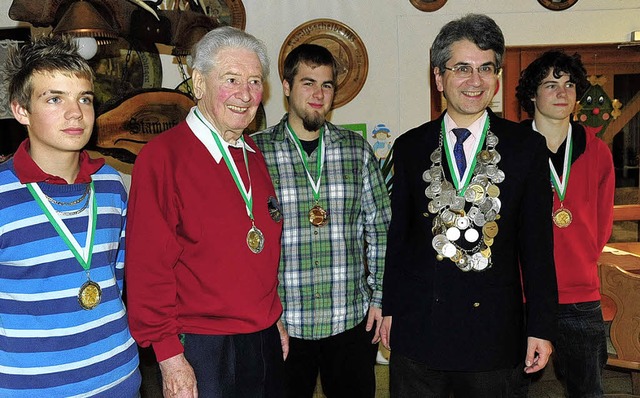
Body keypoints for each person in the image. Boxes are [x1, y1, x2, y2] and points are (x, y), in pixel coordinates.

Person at [380, 14, 558, 397]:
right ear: (438, 77)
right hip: (419, 331)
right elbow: (400, 239)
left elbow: (539, 250)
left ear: (497, 78)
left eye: (486, 68)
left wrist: (541, 327)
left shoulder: (526, 148)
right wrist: (389, 307)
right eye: (462, 68)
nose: (475, 81)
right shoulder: (410, 147)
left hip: (494, 336)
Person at [125, 26, 287, 397]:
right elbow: (148, 267)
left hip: (261, 338)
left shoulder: (253, 158)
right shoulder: (164, 157)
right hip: (201, 347)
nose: (246, 95)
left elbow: (260, 254)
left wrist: (273, 316)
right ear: (199, 83)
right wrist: (169, 356)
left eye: (255, 81)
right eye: (231, 79)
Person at [0, 35, 141, 396]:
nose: (76, 112)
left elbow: (117, 280)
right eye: (54, 99)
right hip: (29, 388)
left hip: (118, 378)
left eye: (85, 99)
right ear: (21, 111)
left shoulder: (111, 184)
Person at [252, 43, 391, 397]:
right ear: (286, 86)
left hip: (349, 318)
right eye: (308, 83)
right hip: (283, 323)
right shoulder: (255, 153)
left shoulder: (357, 150)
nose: (318, 94)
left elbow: (380, 229)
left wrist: (379, 298)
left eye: (327, 85)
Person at [516, 50, 615, 397]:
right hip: (522, 292)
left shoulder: (597, 150)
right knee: (512, 388)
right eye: (551, 84)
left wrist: (584, 255)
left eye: (570, 84)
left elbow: (603, 221)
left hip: (580, 294)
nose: (563, 92)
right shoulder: (512, 150)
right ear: (532, 94)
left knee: (588, 390)